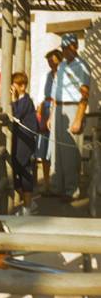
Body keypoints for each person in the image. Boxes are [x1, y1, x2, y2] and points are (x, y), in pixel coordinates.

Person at [50, 33, 91, 201]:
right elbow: (55, 92)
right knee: (56, 151)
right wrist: (52, 114)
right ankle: (57, 187)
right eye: (64, 48)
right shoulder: (61, 66)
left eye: (69, 47)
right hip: (59, 109)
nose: (67, 51)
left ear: (76, 46)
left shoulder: (82, 66)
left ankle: (71, 190)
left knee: (70, 152)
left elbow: (85, 95)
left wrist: (79, 119)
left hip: (73, 109)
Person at [11, 72, 38, 215]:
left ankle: (27, 206)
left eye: (14, 84)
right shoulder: (20, 100)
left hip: (25, 141)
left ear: (22, 86)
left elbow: (17, 115)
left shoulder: (26, 101)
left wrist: (14, 99)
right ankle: (28, 202)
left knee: (24, 169)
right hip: (18, 140)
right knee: (16, 169)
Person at [36, 49, 61, 195]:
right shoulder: (46, 76)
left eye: (53, 62)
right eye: (49, 62)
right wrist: (39, 114)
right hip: (46, 110)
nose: (51, 65)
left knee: (56, 147)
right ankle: (46, 183)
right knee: (44, 147)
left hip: (59, 110)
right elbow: (41, 97)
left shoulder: (64, 76)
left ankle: (58, 183)